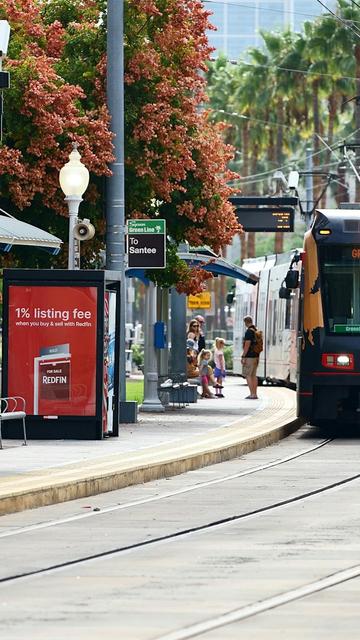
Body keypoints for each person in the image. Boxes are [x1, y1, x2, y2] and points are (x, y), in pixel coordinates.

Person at [241, 316, 259, 399]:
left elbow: (247, 344)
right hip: (256, 356)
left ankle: (252, 394)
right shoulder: (255, 330)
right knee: (254, 375)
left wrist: (243, 356)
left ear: (245, 322)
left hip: (249, 356)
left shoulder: (249, 331)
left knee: (248, 375)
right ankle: (255, 394)